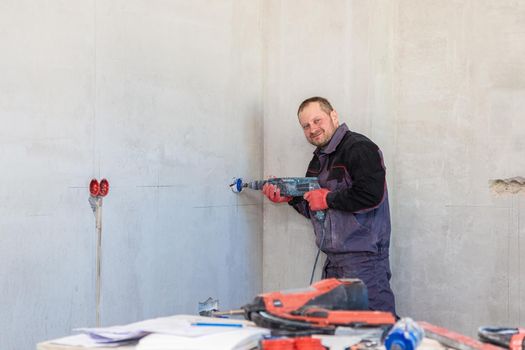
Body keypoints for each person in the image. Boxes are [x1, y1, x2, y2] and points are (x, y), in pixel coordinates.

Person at [262, 96, 396, 315]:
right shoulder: (318, 161)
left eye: (317, 120)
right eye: (306, 126)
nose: (312, 129)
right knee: (335, 331)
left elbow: (372, 195)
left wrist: (327, 198)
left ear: (333, 116)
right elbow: (315, 209)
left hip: (365, 262)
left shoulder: (359, 148)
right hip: (333, 263)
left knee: (375, 329)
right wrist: (290, 199)